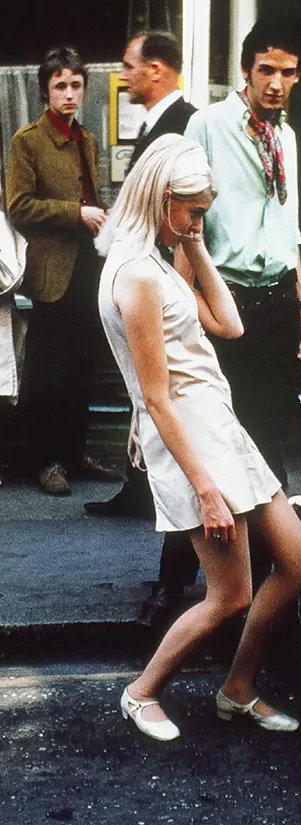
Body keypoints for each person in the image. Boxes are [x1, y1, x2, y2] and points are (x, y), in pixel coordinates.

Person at [97, 134, 301, 741]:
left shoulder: (161, 262)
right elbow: (157, 397)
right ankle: (141, 692)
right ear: (162, 198)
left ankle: (238, 689)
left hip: (219, 425)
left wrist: (193, 240)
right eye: (192, 212)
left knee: (299, 561)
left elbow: (230, 323)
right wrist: (206, 490)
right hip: (190, 437)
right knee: (229, 595)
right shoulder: (137, 276)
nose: (199, 223)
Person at [82, 31, 201, 629]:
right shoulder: (159, 123)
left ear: (156, 70)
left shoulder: (185, 126)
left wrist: (177, 288)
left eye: (129, 67)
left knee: (177, 419)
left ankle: (178, 582)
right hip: (146, 283)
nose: (123, 76)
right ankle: (143, 493)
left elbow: (187, 227)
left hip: (163, 294)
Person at [184, 14, 301, 486]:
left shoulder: (287, 137)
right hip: (228, 303)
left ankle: (265, 561)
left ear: (297, 76)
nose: (277, 83)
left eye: (287, 72)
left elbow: (289, 229)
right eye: (266, 70)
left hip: (279, 303)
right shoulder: (208, 125)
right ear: (246, 70)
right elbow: (184, 222)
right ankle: (188, 560)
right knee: (218, 440)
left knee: (270, 440)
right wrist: (183, 309)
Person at [6, 46, 119, 495]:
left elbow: (93, 197)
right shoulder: (27, 141)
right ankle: (46, 461)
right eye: (60, 86)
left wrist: (104, 215)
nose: (69, 94)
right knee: (47, 369)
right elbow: (17, 206)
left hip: (89, 266)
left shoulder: (86, 139)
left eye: (76, 86)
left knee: (83, 366)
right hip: (52, 272)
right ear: (45, 92)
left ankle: (75, 454)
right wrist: (77, 213)